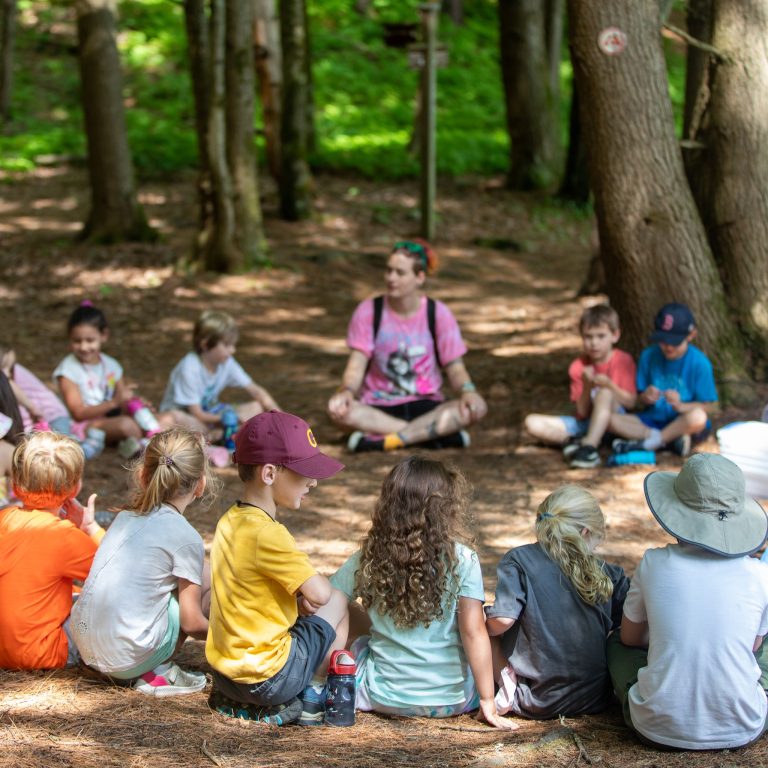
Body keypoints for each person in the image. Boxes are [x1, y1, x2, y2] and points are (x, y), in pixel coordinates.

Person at [330, 455, 513, 729]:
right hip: (454, 700)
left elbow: (328, 599)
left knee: (345, 614)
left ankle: (320, 686)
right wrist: (487, 699)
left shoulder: (368, 557)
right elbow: (473, 632)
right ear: (445, 509)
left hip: (382, 696)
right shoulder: (463, 560)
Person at [607, 453, 768, 750]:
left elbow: (630, 638)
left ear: (675, 512)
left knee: (615, 642)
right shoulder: (760, 574)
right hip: (744, 724)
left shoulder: (654, 562)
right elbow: (753, 647)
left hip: (655, 727)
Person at [206, 410, 349, 726]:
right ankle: (312, 697)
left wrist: (296, 599)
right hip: (269, 679)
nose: (312, 482)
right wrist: (310, 589)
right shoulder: (269, 533)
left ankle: (237, 701)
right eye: (304, 472)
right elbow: (322, 595)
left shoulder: (229, 521)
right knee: (338, 601)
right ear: (269, 474)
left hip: (227, 675)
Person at [71, 428, 214, 696]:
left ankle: (134, 661)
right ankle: (156, 671)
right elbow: (192, 623)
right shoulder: (186, 537)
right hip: (128, 660)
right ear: (200, 484)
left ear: (143, 475)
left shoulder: (125, 519)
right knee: (203, 580)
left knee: (196, 570)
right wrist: (231, 635)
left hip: (86, 648)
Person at [327, 239, 486, 452]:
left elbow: (455, 367)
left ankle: (387, 440)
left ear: (419, 278)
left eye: (400, 273)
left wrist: (468, 392)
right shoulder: (369, 310)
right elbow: (356, 363)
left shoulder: (437, 313)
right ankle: (432, 435)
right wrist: (346, 391)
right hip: (379, 406)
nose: (391, 278)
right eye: (388, 271)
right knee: (340, 412)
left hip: (427, 404)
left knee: (473, 409)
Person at [485, 485, 629, 719]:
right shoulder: (608, 573)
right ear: (584, 532)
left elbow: (502, 620)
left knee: (481, 625)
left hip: (535, 699)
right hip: (596, 698)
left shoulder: (519, 560)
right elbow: (634, 622)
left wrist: (483, 622)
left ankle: (507, 685)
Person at [0, 431, 103, 669]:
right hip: (43, 652)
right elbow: (116, 569)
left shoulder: (4, 519)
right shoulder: (64, 536)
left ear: (15, 485)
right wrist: (91, 528)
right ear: (75, 488)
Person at [524, 304, 636, 469]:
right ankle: (572, 442)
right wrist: (587, 386)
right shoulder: (578, 366)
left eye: (600, 336)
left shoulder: (622, 361)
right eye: (588, 337)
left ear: (615, 335)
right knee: (532, 422)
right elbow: (582, 411)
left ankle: (589, 447)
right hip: (585, 423)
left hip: (615, 419)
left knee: (604, 394)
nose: (594, 343)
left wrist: (610, 385)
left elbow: (631, 402)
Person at [53, 302, 174, 451]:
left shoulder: (111, 365)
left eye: (90, 340)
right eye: (77, 341)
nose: (84, 347)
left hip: (112, 418)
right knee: (126, 425)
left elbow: (121, 400)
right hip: (83, 425)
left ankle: (144, 443)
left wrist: (135, 403)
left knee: (158, 419)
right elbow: (78, 413)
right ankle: (148, 447)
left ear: (104, 336)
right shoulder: (68, 370)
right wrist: (114, 402)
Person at [610, 302, 718, 457]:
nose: (668, 347)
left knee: (698, 417)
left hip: (681, 421)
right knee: (611, 420)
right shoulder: (648, 356)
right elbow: (639, 400)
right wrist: (645, 397)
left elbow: (710, 406)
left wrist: (681, 406)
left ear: (691, 335)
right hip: (652, 421)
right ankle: (666, 440)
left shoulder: (699, 363)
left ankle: (650, 443)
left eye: (674, 342)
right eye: (663, 340)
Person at [160, 310, 279, 444]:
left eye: (233, 345)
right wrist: (230, 418)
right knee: (175, 420)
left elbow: (255, 390)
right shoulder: (189, 368)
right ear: (205, 344)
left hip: (212, 414)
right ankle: (217, 437)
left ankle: (217, 437)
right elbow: (197, 414)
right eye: (227, 345)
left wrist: (280, 416)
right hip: (189, 417)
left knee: (256, 407)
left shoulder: (226, 362)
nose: (232, 350)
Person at [1, 344, 106, 460]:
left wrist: (33, 409)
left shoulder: (8, 378)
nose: (8, 373)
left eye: (10, 369)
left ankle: (91, 445)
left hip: (52, 416)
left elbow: (12, 388)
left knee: (63, 453)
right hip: (36, 423)